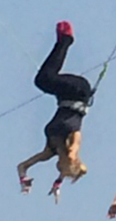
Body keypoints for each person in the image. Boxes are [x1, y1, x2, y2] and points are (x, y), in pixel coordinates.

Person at [15, 21, 95, 197]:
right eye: (64, 173)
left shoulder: (49, 151)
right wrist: (71, 165)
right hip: (80, 92)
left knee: (44, 79)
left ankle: (64, 41)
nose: (60, 172)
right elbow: (73, 154)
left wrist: (24, 179)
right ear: (70, 163)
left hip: (65, 96)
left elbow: (22, 166)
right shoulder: (73, 141)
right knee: (44, 80)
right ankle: (65, 40)